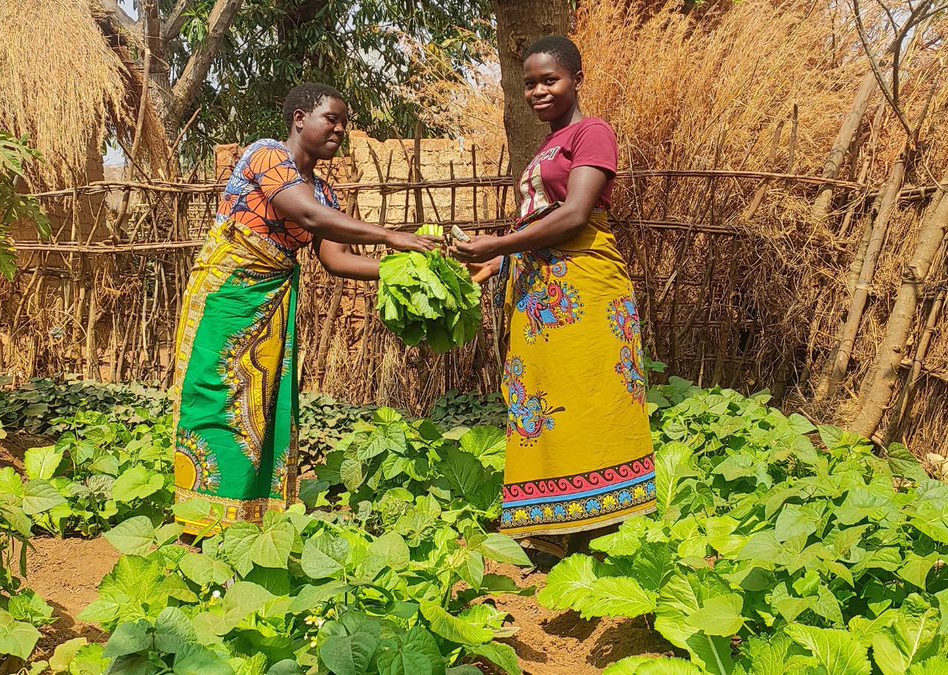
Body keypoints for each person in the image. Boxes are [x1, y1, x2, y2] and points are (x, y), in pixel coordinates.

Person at [172, 82, 436, 535]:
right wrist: (390, 235)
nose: (340, 129)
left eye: (344, 123)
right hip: (229, 294)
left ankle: (251, 519)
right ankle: (201, 522)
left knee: (263, 407)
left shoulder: (327, 195)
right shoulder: (266, 154)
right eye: (331, 118)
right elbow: (308, 216)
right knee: (216, 397)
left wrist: (403, 266)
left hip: (271, 302)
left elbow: (335, 260)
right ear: (299, 119)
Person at [453, 36, 657, 563]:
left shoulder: (593, 133)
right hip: (540, 296)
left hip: (583, 288)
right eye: (529, 83)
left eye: (550, 80)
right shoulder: (547, 146)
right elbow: (538, 220)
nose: (538, 91)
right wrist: (498, 262)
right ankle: (556, 522)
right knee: (543, 402)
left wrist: (497, 243)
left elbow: (574, 216)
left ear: (576, 80)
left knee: (592, 396)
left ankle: (609, 527)